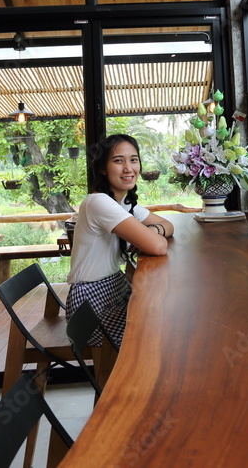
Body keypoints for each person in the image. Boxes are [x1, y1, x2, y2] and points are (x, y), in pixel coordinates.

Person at [66, 134, 173, 347]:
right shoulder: (99, 202)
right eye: (118, 160)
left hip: (113, 293)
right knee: (165, 329)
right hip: (91, 307)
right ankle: (139, 379)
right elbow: (159, 246)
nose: (128, 168)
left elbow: (168, 225)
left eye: (133, 160)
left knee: (170, 315)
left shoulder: (122, 203)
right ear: (103, 169)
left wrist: (152, 229)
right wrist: (153, 235)